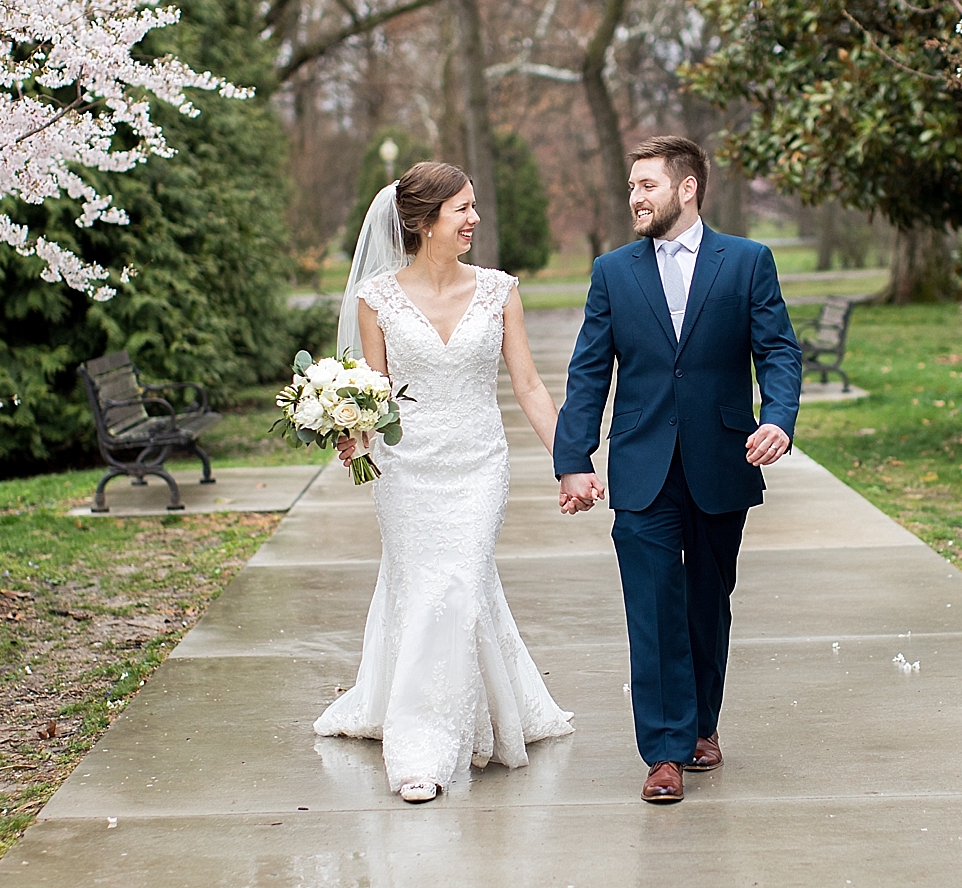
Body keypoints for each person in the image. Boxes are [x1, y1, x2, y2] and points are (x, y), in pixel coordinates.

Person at [554, 136, 804, 804]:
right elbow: (588, 371)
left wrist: (778, 417)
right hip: (640, 464)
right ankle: (664, 751)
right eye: (632, 186)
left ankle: (702, 726)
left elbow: (778, 351)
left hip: (722, 459)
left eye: (647, 185)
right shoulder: (613, 271)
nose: (635, 197)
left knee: (706, 604)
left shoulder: (748, 262)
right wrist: (574, 459)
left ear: (686, 188)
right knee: (652, 607)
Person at [314, 161, 573, 804]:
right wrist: (352, 434)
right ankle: (422, 745)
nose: (474, 220)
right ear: (425, 221)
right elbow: (372, 396)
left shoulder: (498, 290)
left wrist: (570, 460)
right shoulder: (376, 299)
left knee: (456, 584)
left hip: (480, 464)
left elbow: (530, 385)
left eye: (474, 206)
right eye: (463, 209)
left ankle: (432, 733)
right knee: (436, 590)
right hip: (406, 473)